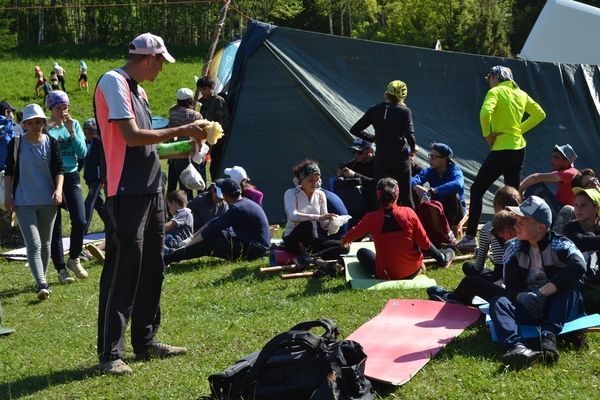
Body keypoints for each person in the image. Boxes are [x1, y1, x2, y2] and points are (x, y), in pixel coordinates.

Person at [93, 32, 210, 375]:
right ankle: (110, 353)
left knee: (153, 267)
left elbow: (149, 147)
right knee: (123, 270)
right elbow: (130, 137)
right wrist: (183, 130)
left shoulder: (139, 91)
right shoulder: (114, 82)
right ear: (148, 57)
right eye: (162, 62)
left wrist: (181, 148)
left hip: (151, 189)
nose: (162, 69)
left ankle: (145, 341)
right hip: (125, 190)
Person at [489, 196, 586, 370]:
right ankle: (516, 348)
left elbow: (579, 266)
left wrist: (544, 292)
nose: (516, 225)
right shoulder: (513, 247)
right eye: (516, 220)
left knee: (572, 284)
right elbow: (510, 287)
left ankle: (548, 337)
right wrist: (521, 296)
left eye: (522, 221)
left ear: (540, 226)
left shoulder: (560, 243)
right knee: (498, 302)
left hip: (555, 306)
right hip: (528, 306)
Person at [457, 66, 546, 251]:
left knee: (477, 189)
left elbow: (484, 113)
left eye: (489, 76)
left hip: (502, 148)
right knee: (513, 196)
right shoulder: (520, 93)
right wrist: (519, 130)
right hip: (519, 148)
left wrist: (488, 134)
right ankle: (520, 236)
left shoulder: (495, 91)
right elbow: (540, 114)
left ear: (496, 76)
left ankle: (470, 237)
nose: (488, 80)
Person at [4, 104, 64, 300]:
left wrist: (58, 190)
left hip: (48, 200)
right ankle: (42, 283)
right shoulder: (16, 143)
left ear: (44, 123)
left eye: (39, 121)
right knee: (34, 243)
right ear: (25, 124)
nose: (35, 125)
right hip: (24, 201)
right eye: (30, 122)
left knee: (46, 244)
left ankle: (42, 280)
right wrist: (8, 197)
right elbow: (9, 173)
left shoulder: (52, 142)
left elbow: (59, 170)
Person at [343, 178, 455, 280]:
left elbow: (350, 235)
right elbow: (424, 243)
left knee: (362, 252)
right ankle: (442, 258)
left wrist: (345, 240)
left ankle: (441, 258)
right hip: (412, 270)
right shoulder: (409, 213)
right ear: (397, 195)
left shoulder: (371, 218)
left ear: (378, 196)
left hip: (386, 274)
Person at [164, 178, 270, 265]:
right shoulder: (244, 203)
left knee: (209, 244)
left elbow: (212, 229)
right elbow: (215, 222)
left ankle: (169, 257)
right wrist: (191, 238)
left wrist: (188, 244)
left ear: (225, 196)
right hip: (256, 246)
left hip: (254, 250)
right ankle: (174, 254)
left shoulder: (237, 209)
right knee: (219, 234)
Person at [44, 91, 89, 284]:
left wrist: (71, 131)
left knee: (80, 218)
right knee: (55, 225)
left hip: (71, 176)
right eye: (58, 108)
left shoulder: (74, 124)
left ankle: (74, 258)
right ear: (51, 109)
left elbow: (82, 153)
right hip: (50, 178)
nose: (63, 111)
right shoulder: (45, 127)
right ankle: (61, 269)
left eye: (65, 107)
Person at [350, 80, 417, 208]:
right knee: (405, 197)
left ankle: (382, 226)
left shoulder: (375, 109)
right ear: (402, 95)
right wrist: (414, 148)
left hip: (381, 160)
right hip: (400, 160)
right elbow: (410, 135)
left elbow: (354, 129)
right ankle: (411, 226)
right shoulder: (405, 111)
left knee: (381, 197)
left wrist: (374, 138)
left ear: (387, 93)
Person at [427, 210, 517, 304]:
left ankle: (452, 298)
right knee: (471, 277)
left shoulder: (514, 248)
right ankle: (453, 296)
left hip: (511, 295)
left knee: (471, 282)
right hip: (511, 289)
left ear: (507, 232)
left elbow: (485, 269)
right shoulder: (519, 245)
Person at [282, 160, 349, 261]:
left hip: (313, 239)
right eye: (310, 180)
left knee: (344, 246)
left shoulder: (320, 194)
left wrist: (334, 221)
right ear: (301, 179)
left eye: (317, 180)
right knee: (307, 225)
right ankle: (306, 254)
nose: (315, 183)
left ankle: (311, 257)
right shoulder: (291, 193)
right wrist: (319, 217)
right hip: (294, 240)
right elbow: (293, 216)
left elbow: (324, 225)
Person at [563, 187, 600, 315]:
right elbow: (581, 242)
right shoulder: (571, 227)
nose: (578, 209)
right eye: (576, 205)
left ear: (596, 208)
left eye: (583, 205)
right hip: (572, 278)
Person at [411, 143, 466, 228]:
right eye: (430, 156)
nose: (430, 160)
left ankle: (447, 233)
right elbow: (412, 180)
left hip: (456, 211)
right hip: (436, 207)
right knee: (414, 191)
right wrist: (416, 187)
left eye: (433, 157)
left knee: (453, 195)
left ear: (444, 159)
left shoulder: (455, 171)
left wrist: (436, 190)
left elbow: (458, 184)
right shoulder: (430, 170)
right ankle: (417, 229)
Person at [519, 144, 579, 216]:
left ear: (566, 162)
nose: (551, 160)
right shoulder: (563, 171)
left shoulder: (570, 172)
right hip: (559, 208)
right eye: (552, 157)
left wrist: (518, 191)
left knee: (537, 187)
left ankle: (521, 210)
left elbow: (536, 178)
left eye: (556, 158)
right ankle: (525, 213)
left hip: (564, 213)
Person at [167, 87, 205, 200]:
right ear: (190, 100)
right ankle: (192, 206)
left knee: (176, 181)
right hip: (191, 150)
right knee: (192, 180)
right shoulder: (196, 115)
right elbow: (202, 134)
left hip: (175, 149)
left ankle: (173, 206)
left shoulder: (173, 113)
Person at [195, 76, 230, 181]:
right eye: (201, 89)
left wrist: (212, 142)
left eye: (205, 89)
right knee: (200, 166)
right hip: (205, 140)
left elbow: (221, 123)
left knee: (215, 169)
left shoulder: (218, 101)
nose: (203, 92)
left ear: (211, 88)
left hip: (217, 142)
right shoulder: (204, 104)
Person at [334, 137, 377, 224]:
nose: (356, 155)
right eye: (354, 152)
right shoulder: (353, 163)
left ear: (370, 151)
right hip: (355, 205)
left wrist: (355, 175)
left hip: (373, 205)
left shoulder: (379, 164)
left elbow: (378, 183)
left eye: (359, 152)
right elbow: (343, 168)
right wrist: (340, 173)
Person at [82, 118, 107, 233]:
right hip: (89, 177)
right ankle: (110, 224)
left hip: (97, 178)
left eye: (90, 132)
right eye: (86, 132)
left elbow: (103, 161)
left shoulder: (100, 143)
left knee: (89, 202)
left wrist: (103, 177)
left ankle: (83, 228)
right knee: (98, 204)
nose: (88, 134)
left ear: (96, 132)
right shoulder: (86, 142)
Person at [164, 190, 194, 254]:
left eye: (169, 206)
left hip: (177, 241)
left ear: (174, 203)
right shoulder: (183, 213)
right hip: (174, 240)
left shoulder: (184, 212)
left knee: (164, 238)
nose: (169, 209)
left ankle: (170, 253)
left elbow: (167, 227)